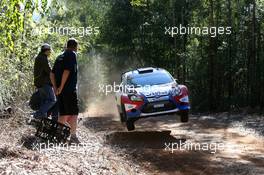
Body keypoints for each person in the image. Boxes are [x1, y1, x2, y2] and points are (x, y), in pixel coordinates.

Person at [51, 38, 80, 143]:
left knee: (63, 113)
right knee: (74, 112)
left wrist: (56, 88)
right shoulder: (72, 54)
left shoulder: (59, 56)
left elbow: (52, 74)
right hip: (69, 89)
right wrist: (61, 87)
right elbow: (67, 71)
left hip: (60, 91)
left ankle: (58, 136)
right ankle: (73, 137)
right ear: (75, 46)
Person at [33, 44, 57, 119]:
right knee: (52, 100)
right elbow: (49, 71)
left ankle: (42, 120)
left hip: (39, 83)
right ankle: (36, 115)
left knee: (44, 101)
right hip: (44, 83)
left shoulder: (39, 57)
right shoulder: (43, 58)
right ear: (46, 51)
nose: (50, 53)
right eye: (49, 51)